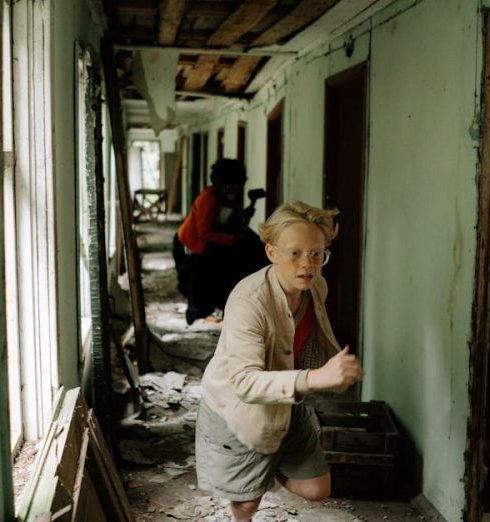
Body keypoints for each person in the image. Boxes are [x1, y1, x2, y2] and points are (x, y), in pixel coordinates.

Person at [195, 200, 364, 522]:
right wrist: (313, 379)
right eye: (295, 253)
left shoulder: (317, 287)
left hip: (285, 398)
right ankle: (247, 495)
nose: (308, 265)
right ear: (272, 253)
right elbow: (243, 381)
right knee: (247, 504)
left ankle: (265, 467)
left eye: (317, 254)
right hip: (238, 405)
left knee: (316, 489)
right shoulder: (248, 300)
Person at [173, 158, 267, 325]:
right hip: (191, 243)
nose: (231, 189)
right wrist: (233, 239)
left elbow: (234, 221)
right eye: (227, 185)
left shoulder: (234, 198)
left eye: (235, 185)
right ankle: (197, 306)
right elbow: (204, 233)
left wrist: (246, 214)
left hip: (215, 238)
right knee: (202, 274)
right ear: (219, 184)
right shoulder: (207, 199)